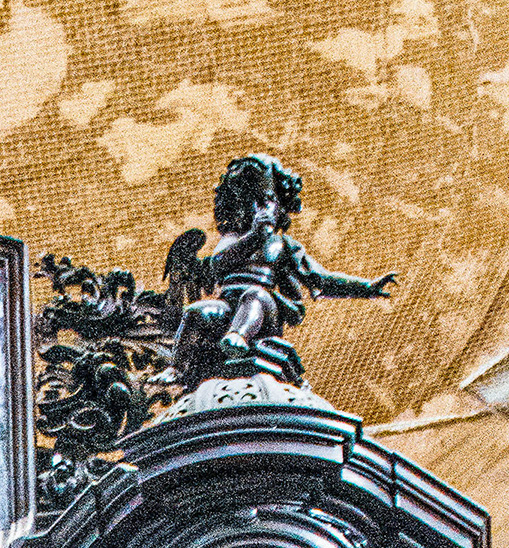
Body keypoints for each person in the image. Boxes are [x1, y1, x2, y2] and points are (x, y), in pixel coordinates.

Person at [165, 154, 393, 392]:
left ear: (279, 206)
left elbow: (321, 279)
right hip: (228, 303)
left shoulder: (283, 245)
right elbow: (217, 265)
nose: (259, 210)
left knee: (254, 296)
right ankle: (177, 368)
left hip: (264, 310)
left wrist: (367, 288)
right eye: (252, 202)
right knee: (196, 312)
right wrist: (254, 236)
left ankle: (238, 337)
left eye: (266, 202)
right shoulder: (231, 239)